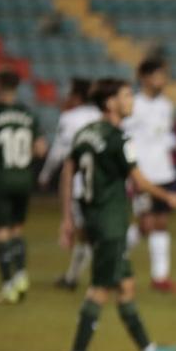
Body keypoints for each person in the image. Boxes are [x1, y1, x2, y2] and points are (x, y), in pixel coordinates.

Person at [60, 78, 176, 351]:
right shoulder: (119, 139)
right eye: (126, 96)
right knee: (100, 289)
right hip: (111, 222)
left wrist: (67, 216)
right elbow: (138, 182)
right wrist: (168, 196)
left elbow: (67, 169)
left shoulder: (86, 134)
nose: (131, 101)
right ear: (110, 102)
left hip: (93, 217)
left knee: (126, 286)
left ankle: (148, 350)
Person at [0, 68, 47, 304]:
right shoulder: (28, 113)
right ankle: (22, 274)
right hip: (24, 180)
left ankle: (8, 285)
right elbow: (40, 149)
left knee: (0, 233)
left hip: (0, 179)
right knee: (17, 230)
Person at [122, 57, 176, 293]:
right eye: (158, 75)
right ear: (145, 78)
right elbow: (124, 136)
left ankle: (160, 278)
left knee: (160, 223)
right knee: (146, 223)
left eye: (164, 75)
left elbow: (163, 135)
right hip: (143, 172)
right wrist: (130, 168)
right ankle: (114, 254)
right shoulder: (133, 105)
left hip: (164, 170)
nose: (163, 80)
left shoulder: (166, 105)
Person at [40, 77, 101, 290]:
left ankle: (90, 277)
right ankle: (73, 277)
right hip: (103, 182)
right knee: (93, 233)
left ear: (76, 96)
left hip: (78, 182)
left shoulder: (70, 118)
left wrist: (45, 174)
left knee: (86, 233)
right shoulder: (102, 116)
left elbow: (59, 150)